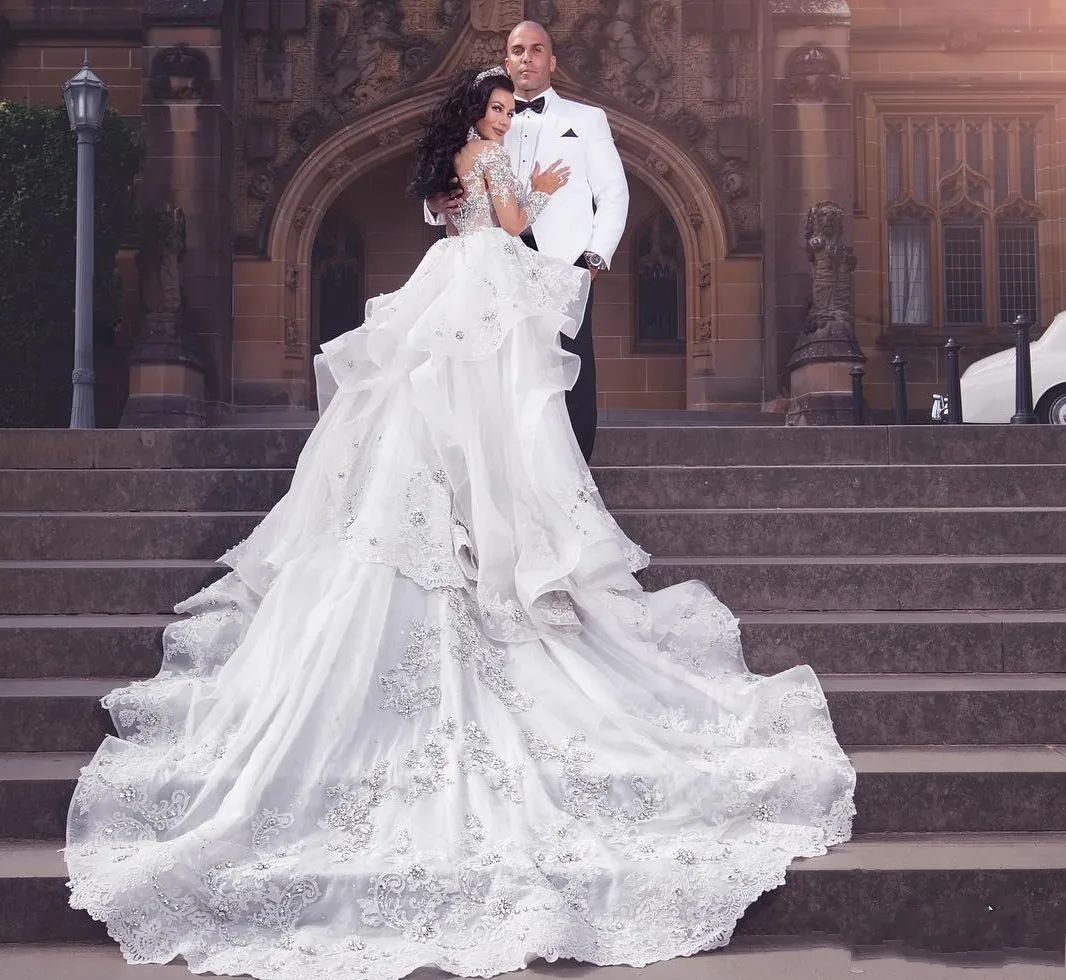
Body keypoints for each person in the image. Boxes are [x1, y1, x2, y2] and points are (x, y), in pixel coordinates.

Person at [64, 65, 855, 980]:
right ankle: (493, 545)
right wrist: (545, 189)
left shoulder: (448, 167)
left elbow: (453, 218)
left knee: (438, 418)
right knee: (495, 419)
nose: (506, 117)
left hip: (450, 280)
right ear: (478, 113)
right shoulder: (493, 161)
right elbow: (515, 228)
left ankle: (473, 538)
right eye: (498, 107)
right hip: (486, 284)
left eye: (509, 109)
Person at [425, 21, 628, 463]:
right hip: (497, 260)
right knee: (503, 368)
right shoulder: (489, 120)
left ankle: (576, 474)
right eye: (518, 50)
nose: (527, 57)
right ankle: (513, 471)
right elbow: (453, 184)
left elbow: (613, 193)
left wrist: (594, 257)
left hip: (562, 263)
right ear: (507, 61)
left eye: (537, 50)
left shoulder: (586, 120)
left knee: (567, 365)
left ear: (551, 61)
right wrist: (436, 202)